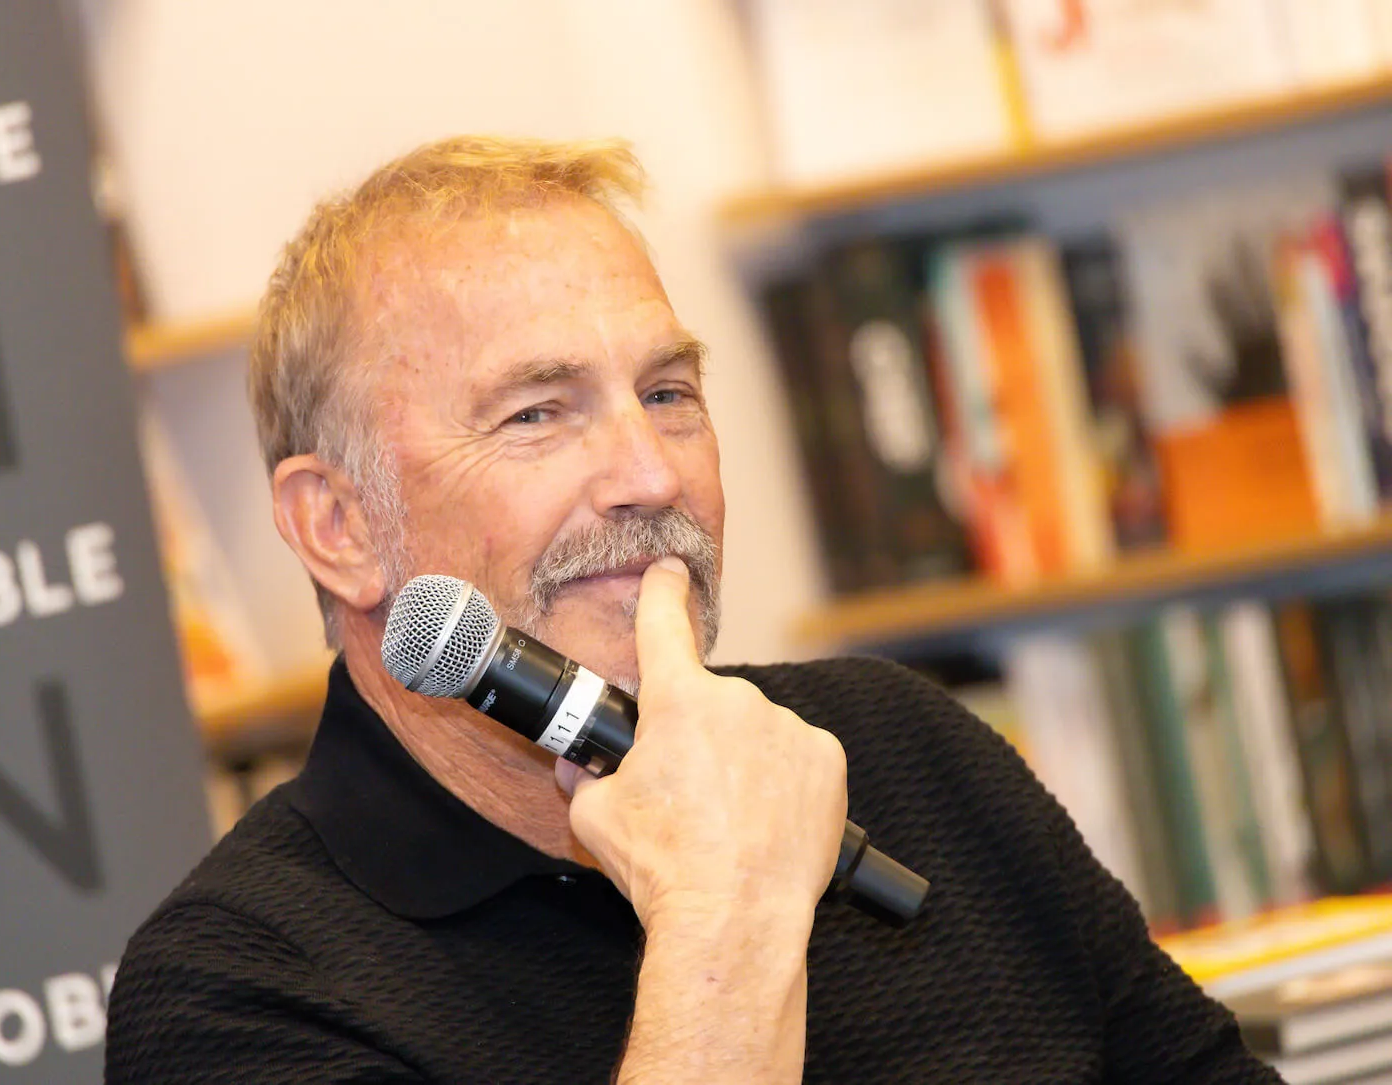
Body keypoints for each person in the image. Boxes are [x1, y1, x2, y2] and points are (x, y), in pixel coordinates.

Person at [104, 136, 1279, 1084]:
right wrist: (724, 910)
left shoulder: (901, 750)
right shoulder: (237, 987)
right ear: (337, 527)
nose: (653, 474)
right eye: (535, 413)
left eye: (668, 392)